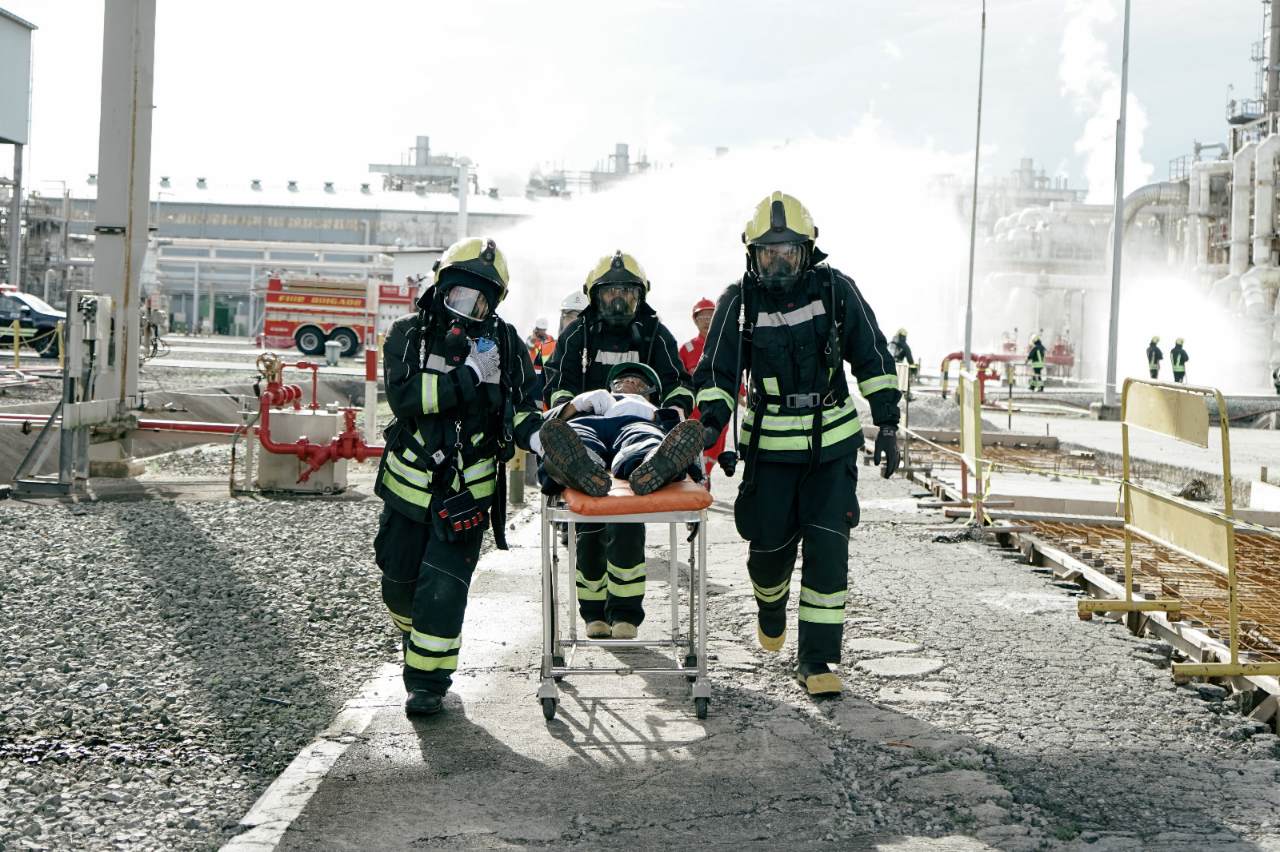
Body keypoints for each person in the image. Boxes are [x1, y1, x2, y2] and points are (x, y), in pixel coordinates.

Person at [693, 191, 901, 698]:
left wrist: (889, 422)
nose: (779, 261)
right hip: (768, 451)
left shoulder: (835, 291)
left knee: (829, 552)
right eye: (768, 252)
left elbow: (872, 354)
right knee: (767, 552)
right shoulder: (737, 302)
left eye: (788, 251)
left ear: (808, 251)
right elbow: (716, 373)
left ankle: (817, 660)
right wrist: (709, 426)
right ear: (752, 254)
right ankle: (769, 603)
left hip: (832, 449)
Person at [374, 237, 541, 717]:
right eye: (460, 296)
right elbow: (407, 399)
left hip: (468, 496)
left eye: (481, 300)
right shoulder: (407, 334)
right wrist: (467, 375)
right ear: (441, 288)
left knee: (443, 591)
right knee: (398, 582)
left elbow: (525, 404)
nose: (468, 309)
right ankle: (415, 636)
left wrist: (541, 440)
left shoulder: (506, 343)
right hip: (408, 490)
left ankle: (428, 683)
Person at [542, 252, 694, 640]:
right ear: (594, 296)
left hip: (637, 426)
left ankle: (625, 614)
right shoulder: (579, 334)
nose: (619, 300)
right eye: (610, 292)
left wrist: (671, 412)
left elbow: (678, 383)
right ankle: (594, 613)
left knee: (627, 522)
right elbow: (558, 383)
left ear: (641, 295)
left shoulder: (657, 334)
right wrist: (570, 412)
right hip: (586, 430)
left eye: (627, 291)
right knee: (589, 528)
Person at [679, 298, 727, 487]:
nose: (707, 320)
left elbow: (735, 381)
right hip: (693, 414)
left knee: (710, 458)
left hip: (718, 415)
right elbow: (677, 380)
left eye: (711, 316)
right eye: (702, 317)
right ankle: (698, 487)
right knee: (692, 458)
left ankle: (704, 484)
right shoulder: (686, 349)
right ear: (695, 321)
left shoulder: (725, 346)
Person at [526, 317, 556, 407]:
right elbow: (530, 346)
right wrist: (534, 338)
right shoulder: (531, 339)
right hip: (535, 370)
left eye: (544, 330)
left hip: (547, 369)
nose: (542, 332)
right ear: (536, 329)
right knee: (536, 393)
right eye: (540, 330)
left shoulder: (550, 338)